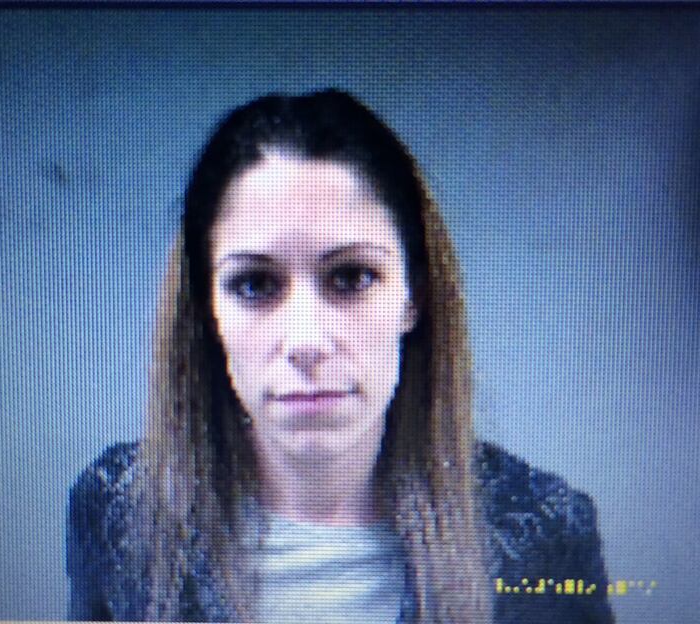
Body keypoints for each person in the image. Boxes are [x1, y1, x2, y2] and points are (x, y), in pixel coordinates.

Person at [67, 89, 614, 624]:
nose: (306, 342)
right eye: (254, 284)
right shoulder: (120, 512)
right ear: (207, 311)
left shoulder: (543, 535)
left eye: (351, 277)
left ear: (414, 296)